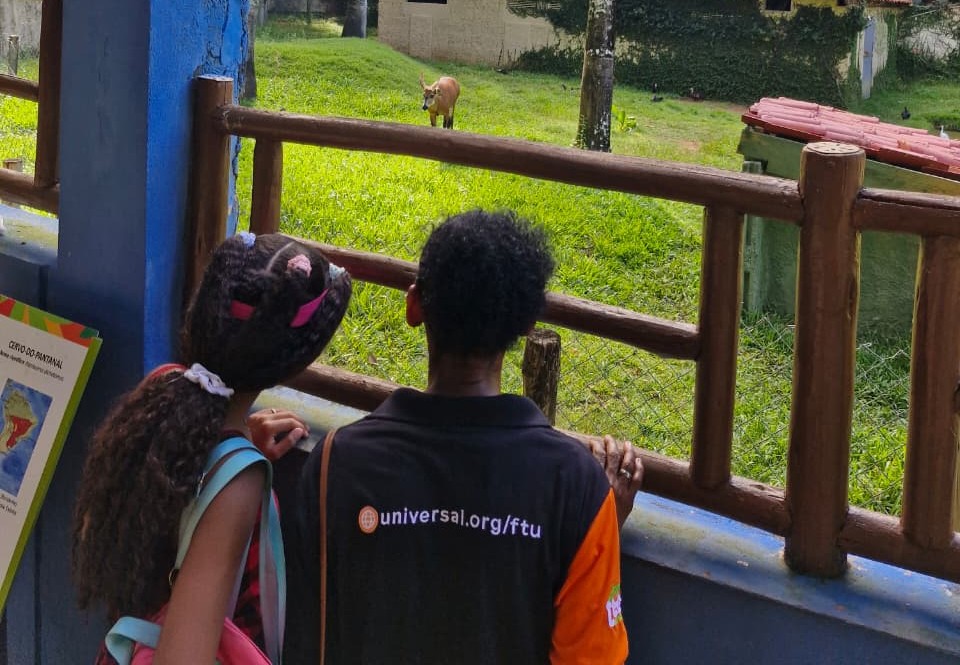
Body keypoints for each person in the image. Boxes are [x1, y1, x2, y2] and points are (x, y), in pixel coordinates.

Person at [285, 209, 639, 664]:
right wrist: (598, 516)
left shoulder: (336, 462)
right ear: (527, 327)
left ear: (414, 307)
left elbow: (307, 640)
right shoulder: (576, 486)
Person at [71, 231, 352, 664]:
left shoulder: (163, 388)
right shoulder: (237, 485)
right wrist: (234, 471)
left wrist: (235, 448)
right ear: (294, 361)